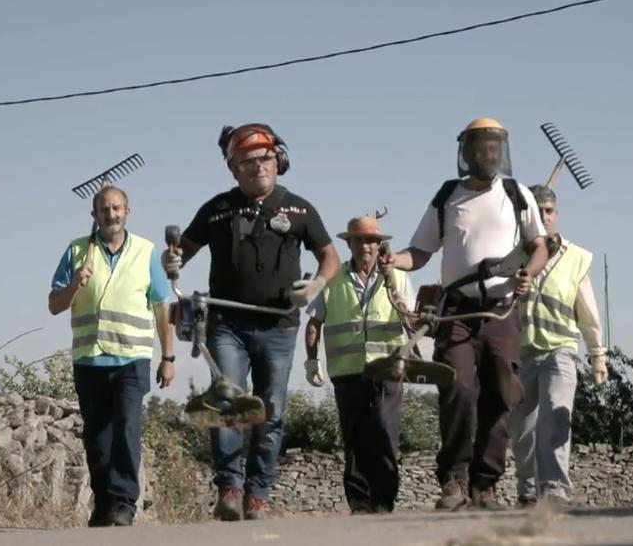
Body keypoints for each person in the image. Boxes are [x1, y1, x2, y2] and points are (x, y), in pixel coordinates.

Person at [162, 123, 340, 521]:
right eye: (247, 162)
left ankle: (257, 495)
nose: (257, 167)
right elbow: (179, 254)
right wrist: (171, 261)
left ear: (278, 161)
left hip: (279, 326)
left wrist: (315, 286)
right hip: (227, 324)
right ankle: (229, 488)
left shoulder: (300, 209)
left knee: (271, 409)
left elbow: (331, 258)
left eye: (264, 159)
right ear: (233, 169)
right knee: (228, 400)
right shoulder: (216, 209)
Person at [381, 117, 549, 511]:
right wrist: (395, 261)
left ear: (502, 151)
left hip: (500, 310)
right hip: (455, 312)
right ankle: (454, 479)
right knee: (457, 388)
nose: (489, 154)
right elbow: (419, 253)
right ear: (467, 152)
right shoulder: (447, 196)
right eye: (481, 148)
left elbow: (539, 246)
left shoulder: (516, 193)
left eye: (495, 148)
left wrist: (529, 273)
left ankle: (485, 484)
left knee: (503, 393)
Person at [48, 185, 175, 528]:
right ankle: (104, 504)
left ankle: (123, 504)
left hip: (132, 359)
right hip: (89, 358)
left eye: (117, 208)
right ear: (95, 215)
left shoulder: (145, 252)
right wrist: (75, 283)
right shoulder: (77, 250)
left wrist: (169, 356)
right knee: (97, 438)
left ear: (127, 212)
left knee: (126, 430)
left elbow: (163, 307)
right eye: (104, 209)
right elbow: (54, 305)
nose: (111, 214)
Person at [303, 215, 415, 515]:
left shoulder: (399, 277)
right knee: (354, 437)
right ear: (349, 244)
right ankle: (360, 502)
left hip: (388, 368)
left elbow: (412, 320)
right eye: (360, 240)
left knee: (384, 431)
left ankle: (384, 500)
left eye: (371, 240)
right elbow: (314, 323)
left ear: (380, 245)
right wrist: (311, 361)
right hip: (347, 370)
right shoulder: (333, 278)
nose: (366, 246)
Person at [510, 184, 607, 507]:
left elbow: (588, 311)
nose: (544, 217)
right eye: (537, 211)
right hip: (521, 355)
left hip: (560, 352)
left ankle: (553, 490)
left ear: (557, 214)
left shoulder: (575, 258)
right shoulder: (513, 256)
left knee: (555, 418)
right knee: (521, 431)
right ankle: (526, 491)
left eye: (549, 211)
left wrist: (597, 356)